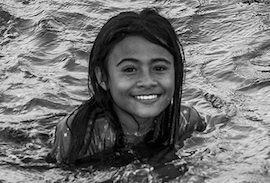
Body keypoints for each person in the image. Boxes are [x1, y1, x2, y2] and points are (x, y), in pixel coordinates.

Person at [49, 9, 205, 164]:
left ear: (176, 72)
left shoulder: (186, 122)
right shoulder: (78, 135)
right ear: (103, 77)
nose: (147, 81)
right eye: (130, 70)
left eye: (159, 68)